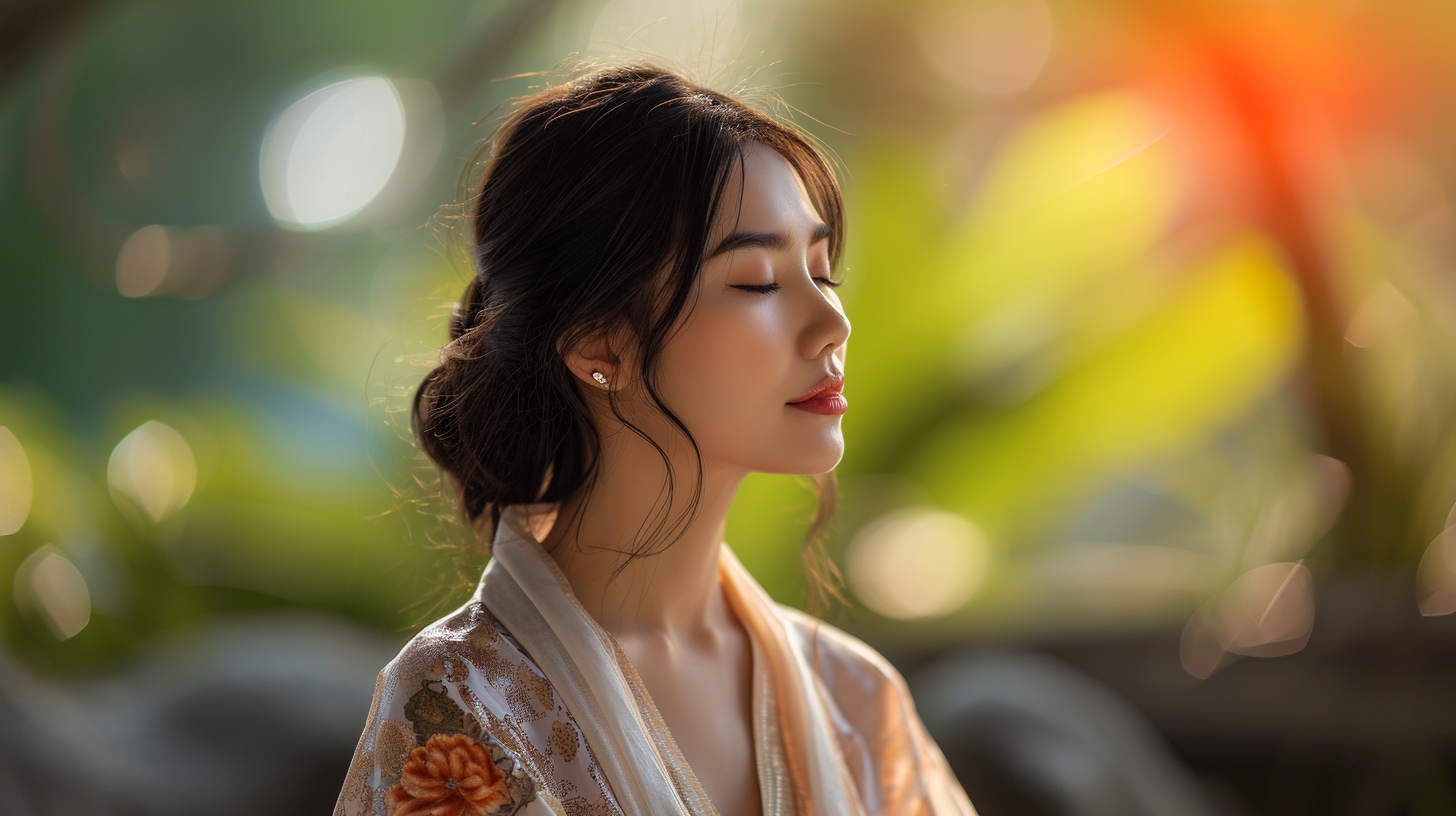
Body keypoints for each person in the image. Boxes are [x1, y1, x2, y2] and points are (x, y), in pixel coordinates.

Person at [333, 60, 977, 816]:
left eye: (822, 271)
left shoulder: (856, 701)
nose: (832, 323)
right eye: (758, 283)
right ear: (598, 346)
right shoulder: (457, 714)